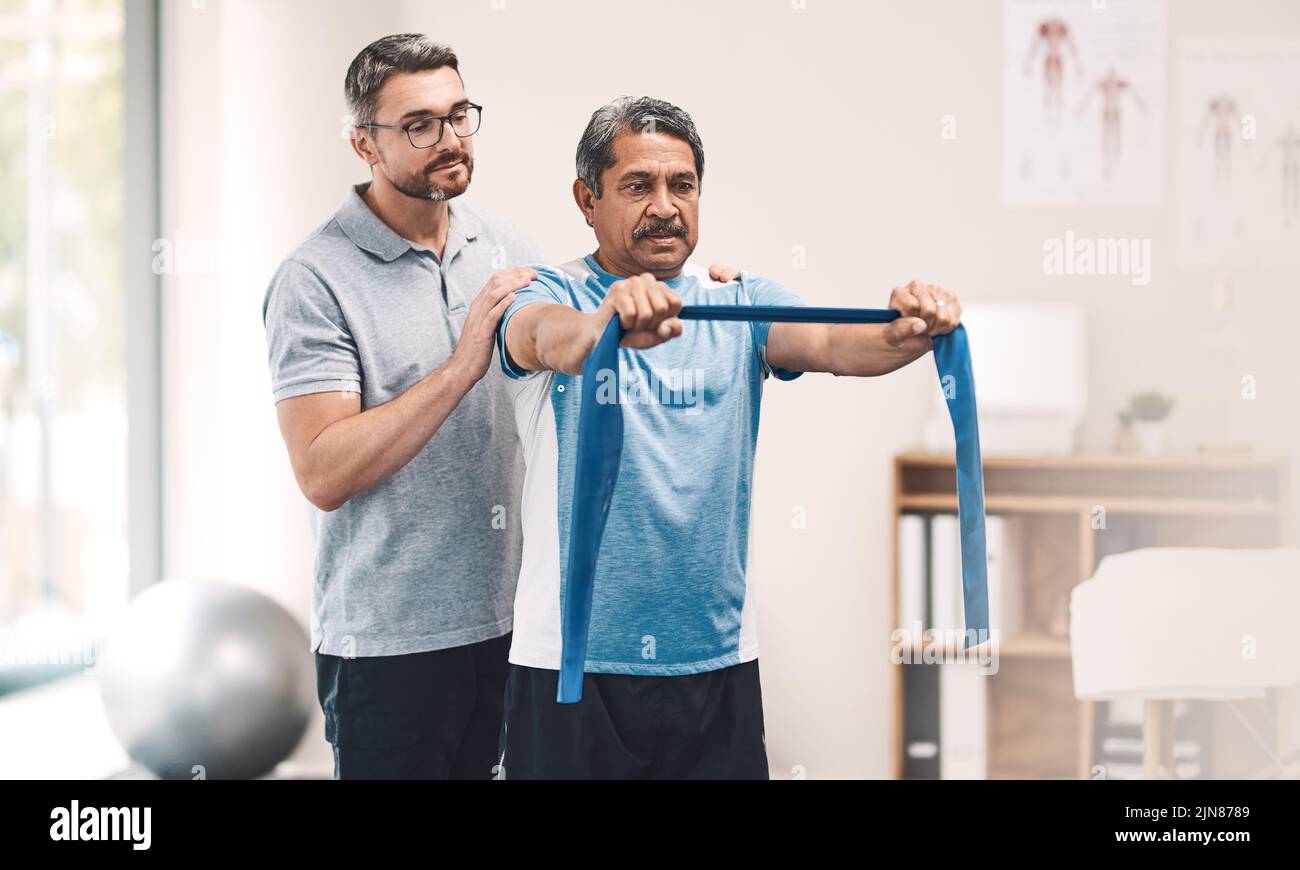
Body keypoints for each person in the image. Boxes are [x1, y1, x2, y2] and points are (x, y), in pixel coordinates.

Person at [493, 96, 963, 779]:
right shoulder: (546, 293)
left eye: (681, 185)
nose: (665, 205)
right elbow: (542, 337)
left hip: (716, 666)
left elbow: (833, 341)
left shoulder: (738, 302)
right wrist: (609, 323)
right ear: (586, 200)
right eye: (637, 186)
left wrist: (907, 332)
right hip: (572, 668)